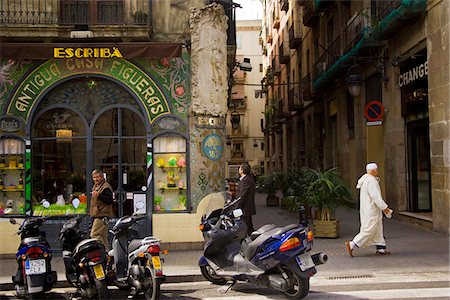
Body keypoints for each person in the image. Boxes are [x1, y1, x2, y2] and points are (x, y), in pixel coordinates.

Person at [345, 163, 393, 257]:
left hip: (370, 209)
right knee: (369, 229)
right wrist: (384, 207)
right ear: (373, 171)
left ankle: (381, 248)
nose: (378, 172)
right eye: (377, 170)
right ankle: (352, 244)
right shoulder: (371, 181)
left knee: (377, 229)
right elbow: (375, 197)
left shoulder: (367, 179)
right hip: (372, 210)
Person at [90, 169, 114, 251]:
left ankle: (100, 253)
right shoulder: (97, 186)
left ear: (102, 177)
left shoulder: (105, 187)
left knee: (94, 235)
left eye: (97, 177)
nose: (96, 179)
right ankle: (107, 255)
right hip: (98, 215)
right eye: (94, 177)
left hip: (101, 216)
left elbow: (110, 200)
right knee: (103, 237)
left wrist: (98, 195)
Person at [236, 163, 256, 235]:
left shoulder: (246, 180)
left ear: (242, 170)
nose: (239, 169)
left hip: (245, 208)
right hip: (245, 208)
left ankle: (252, 242)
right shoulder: (247, 179)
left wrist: (236, 206)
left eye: (240, 168)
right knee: (248, 226)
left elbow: (242, 195)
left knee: (246, 227)